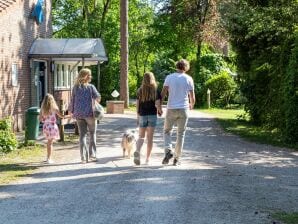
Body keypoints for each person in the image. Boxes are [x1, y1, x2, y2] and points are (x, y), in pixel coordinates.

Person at [161, 59, 195, 166]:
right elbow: (192, 96)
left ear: (177, 66)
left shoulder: (169, 77)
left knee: (167, 131)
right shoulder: (189, 79)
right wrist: (191, 105)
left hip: (171, 108)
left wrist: (159, 106)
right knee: (181, 134)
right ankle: (176, 159)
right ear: (186, 67)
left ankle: (168, 151)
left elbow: (163, 93)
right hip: (183, 109)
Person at [68, 68, 101, 163]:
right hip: (90, 114)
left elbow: (72, 101)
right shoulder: (91, 87)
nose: (91, 76)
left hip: (78, 114)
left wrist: (71, 111)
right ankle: (92, 155)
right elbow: (98, 97)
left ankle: (83, 158)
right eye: (89, 75)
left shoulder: (75, 88)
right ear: (85, 76)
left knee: (82, 135)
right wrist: (95, 101)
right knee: (92, 133)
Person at [133, 72, 162, 165]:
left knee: (141, 136)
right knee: (150, 138)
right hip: (152, 115)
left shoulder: (140, 90)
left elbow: (137, 105)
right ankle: (147, 159)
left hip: (142, 115)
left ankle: (137, 150)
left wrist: (137, 116)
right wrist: (160, 110)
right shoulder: (155, 90)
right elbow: (157, 104)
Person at [40, 93, 66, 164]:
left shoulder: (42, 109)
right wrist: (69, 115)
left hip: (46, 126)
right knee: (50, 143)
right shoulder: (54, 108)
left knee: (49, 142)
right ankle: (48, 158)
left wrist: (45, 120)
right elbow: (61, 116)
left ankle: (48, 158)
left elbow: (40, 119)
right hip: (52, 126)